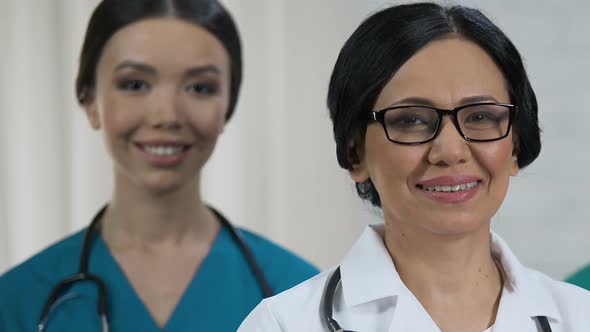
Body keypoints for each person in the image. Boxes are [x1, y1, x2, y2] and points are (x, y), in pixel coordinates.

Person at [238, 3, 590, 331]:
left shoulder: (580, 317)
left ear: (514, 146)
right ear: (355, 153)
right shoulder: (283, 324)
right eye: (411, 120)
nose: (450, 151)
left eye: (481, 116)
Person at [0, 1, 318, 331]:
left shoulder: (301, 294)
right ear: (90, 100)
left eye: (200, 88)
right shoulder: (16, 301)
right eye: (134, 84)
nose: (166, 116)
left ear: (227, 106)